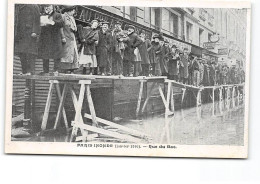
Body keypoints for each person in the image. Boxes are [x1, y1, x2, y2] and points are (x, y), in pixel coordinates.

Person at [38, 4, 64, 75]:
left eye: (49, 6)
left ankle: (56, 70)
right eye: (46, 7)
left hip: (54, 38)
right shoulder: (42, 15)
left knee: (56, 54)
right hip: (45, 38)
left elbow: (61, 23)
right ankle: (45, 71)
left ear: (52, 7)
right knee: (45, 54)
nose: (47, 8)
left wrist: (53, 22)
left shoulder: (57, 15)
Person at [15, 4, 41, 75]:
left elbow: (37, 19)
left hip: (29, 34)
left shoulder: (33, 5)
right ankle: (24, 71)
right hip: (21, 34)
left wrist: (35, 31)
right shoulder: (19, 6)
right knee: (22, 53)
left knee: (30, 53)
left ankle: (30, 71)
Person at [59, 6, 79, 73]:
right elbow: (60, 27)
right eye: (73, 11)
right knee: (66, 54)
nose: (74, 12)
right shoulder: (63, 16)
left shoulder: (72, 18)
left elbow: (75, 28)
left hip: (71, 37)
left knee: (73, 53)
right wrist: (62, 37)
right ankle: (64, 69)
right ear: (69, 11)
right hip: (66, 37)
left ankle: (71, 69)